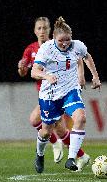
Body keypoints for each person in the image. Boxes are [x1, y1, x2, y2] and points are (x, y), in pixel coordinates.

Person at [18, 17, 90, 170]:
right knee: (49, 130)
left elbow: (79, 57)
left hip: (67, 91)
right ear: (35, 31)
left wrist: (82, 75)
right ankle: (70, 152)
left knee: (74, 119)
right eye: (39, 28)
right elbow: (27, 72)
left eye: (45, 28)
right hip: (48, 95)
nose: (42, 31)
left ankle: (69, 154)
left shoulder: (63, 44)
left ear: (50, 30)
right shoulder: (33, 49)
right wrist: (22, 68)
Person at [31, 16, 101, 173]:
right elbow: (34, 72)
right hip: (50, 95)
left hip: (70, 91)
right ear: (54, 38)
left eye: (68, 40)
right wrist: (47, 76)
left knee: (81, 117)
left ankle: (71, 158)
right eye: (61, 40)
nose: (65, 43)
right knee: (46, 131)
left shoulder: (77, 46)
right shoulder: (47, 49)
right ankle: (40, 154)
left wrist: (95, 76)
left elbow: (87, 56)